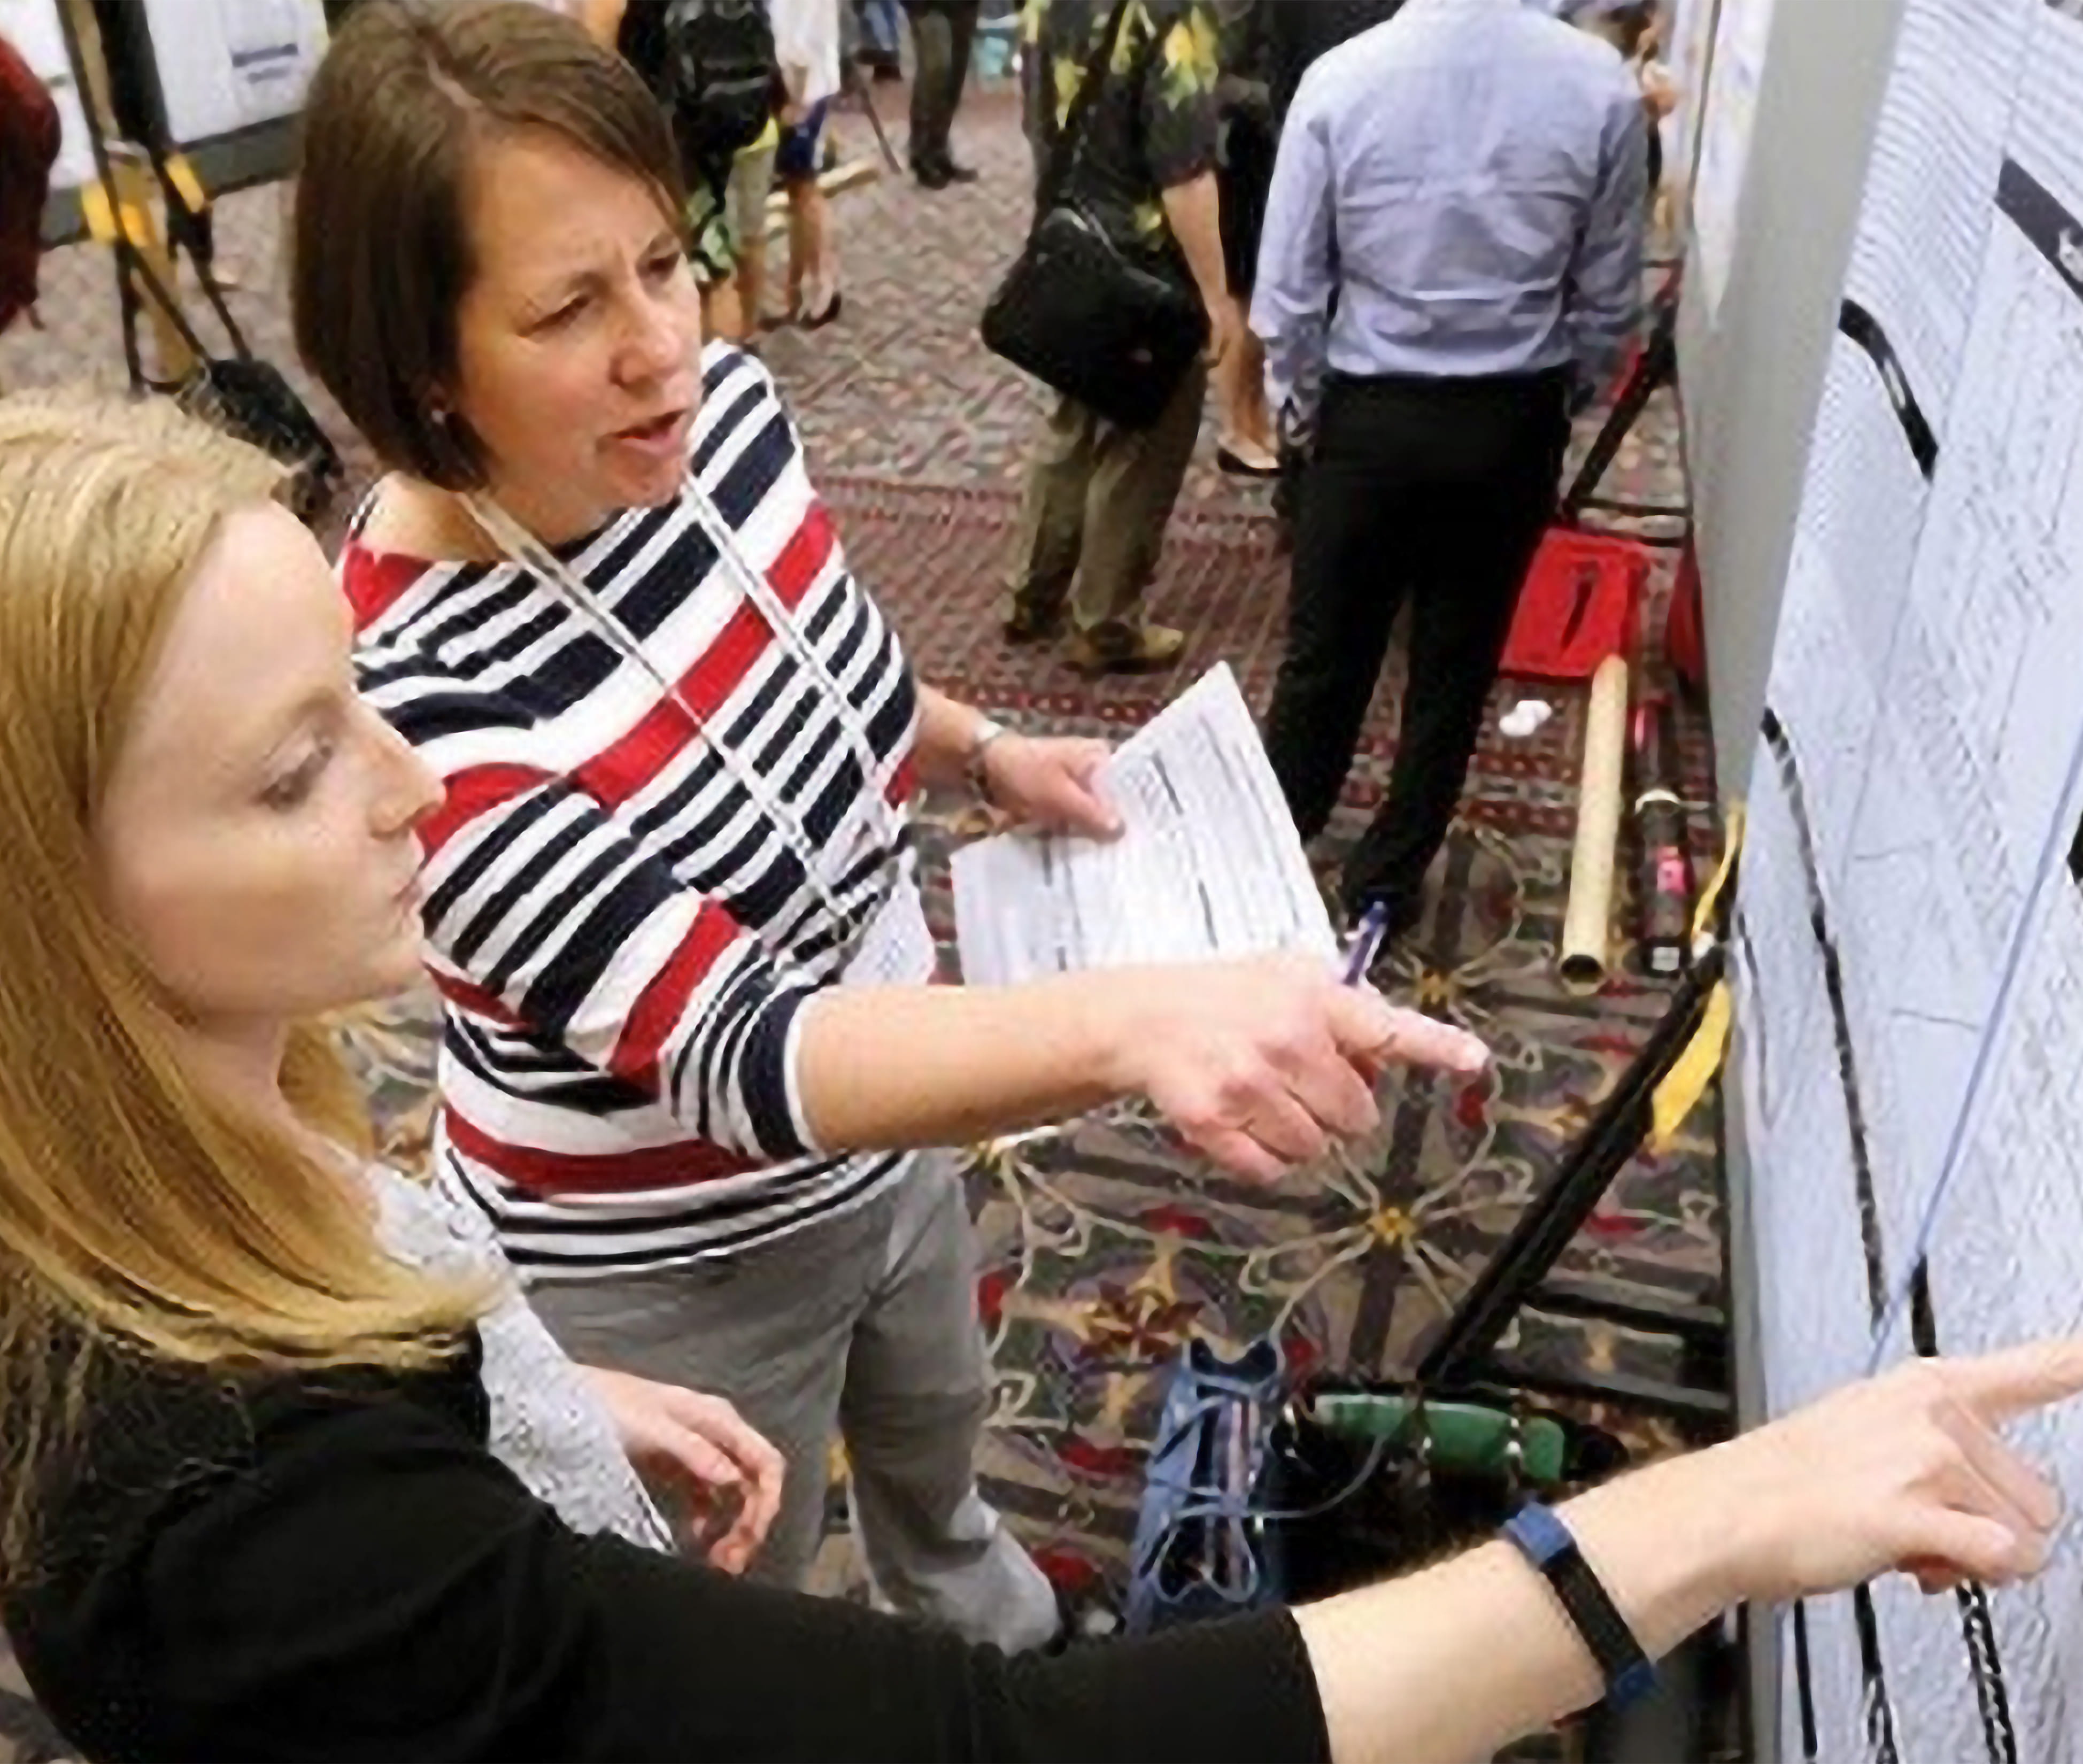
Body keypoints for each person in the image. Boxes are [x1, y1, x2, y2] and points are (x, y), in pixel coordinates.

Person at [5, 397, 2083, 1764]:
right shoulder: (239, 1524)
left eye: (360, 702)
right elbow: (1001, 1754)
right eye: (292, 772)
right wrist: (1722, 1513)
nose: (413, 789)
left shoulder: (206, 1117)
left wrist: (523, 1388)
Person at [292, 0, 1479, 1653]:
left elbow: (809, 658)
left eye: (664, 260)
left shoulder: (710, 420)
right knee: (732, 1604)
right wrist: (1139, 1023)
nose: (662, 342)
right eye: (570, 306)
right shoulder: (414, 703)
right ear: (419, 365)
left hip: (897, 1114)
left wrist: (983, 749)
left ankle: (976, 1610)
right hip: (669, 1256)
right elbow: (744, 1053)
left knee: (937, 1429)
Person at [1253, 0, 1648, 934]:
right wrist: (1561, 399)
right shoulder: (1602, 88)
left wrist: (1302, 414)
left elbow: (1290, 291)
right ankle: (1387, 880)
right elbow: (1609, 297)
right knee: (1455, 665)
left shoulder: (1341, 82)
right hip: (1509, 420)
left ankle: (1271, 846)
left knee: (1324, 657)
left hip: (1368, 419)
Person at [1001, 0, 1230, 676]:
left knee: (1070, 424)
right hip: (1146, 269)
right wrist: (1215, 295)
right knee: (1142, 442)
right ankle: (1105, 624)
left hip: (1074, 245)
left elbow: (1036, 123)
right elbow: (1184, 174)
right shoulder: (1168, 16)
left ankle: (1030, 593)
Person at [1209, 0, 1277, 477]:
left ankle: (1254, 419)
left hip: (1262, 140)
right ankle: (1236, 427)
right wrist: (1282, 96)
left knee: (1259, 290)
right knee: (1244, 291)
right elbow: (1216, 76)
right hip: (1241, 146)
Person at [774, 0, 845, 324]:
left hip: (801, 86)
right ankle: (797, 287)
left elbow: (797, 35)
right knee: (797, 187)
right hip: (802, 80)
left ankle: (822, 282)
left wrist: (795, 93)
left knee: (803, 186)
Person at [903, 0, 980, 187]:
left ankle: (939, 150)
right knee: (937, 69)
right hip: (926, 6)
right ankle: (921, 152)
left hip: (964, 6)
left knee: (955, 77)